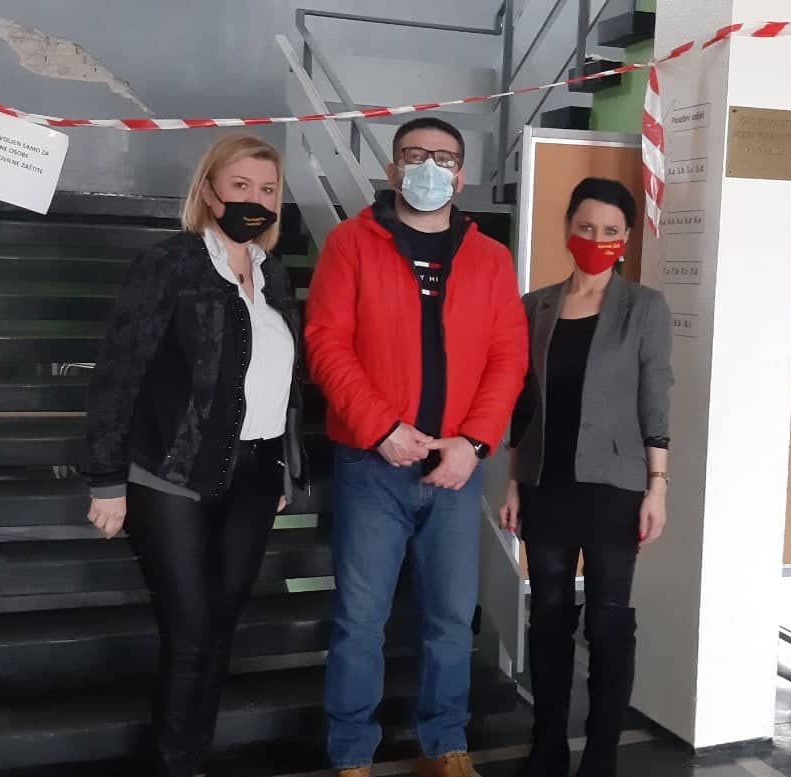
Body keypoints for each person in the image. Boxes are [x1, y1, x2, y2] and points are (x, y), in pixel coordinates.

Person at [306, 116, 529, 777]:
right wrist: (380, 428)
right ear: (392, 168)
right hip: (371, 467)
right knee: (359, 620)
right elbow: (326, 343)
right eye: (414, 154)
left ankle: (445, 744)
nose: (429, 167)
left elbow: (508, 357)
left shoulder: (490, 258)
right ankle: (351, 753)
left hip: (455, 473)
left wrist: (475, 443)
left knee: (451, 620)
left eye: (444, 158)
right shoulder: (351, 244)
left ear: (461, 177)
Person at [81, 133, 308, 777]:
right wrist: (106, 479)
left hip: (256, 478)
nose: (255, 199)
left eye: (267, 189)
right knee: (192, 631)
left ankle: (191, 757)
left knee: (220, 628)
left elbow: (287, 379)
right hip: (173, 474)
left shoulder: (273, 275)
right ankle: (177, 764)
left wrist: (286, 463)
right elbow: (119, 372)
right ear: (209, 192)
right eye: (240, 186)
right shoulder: (169, 264)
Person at [498, 178, 673, 777]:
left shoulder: (643, 308)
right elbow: (522, 403)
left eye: (610, 231)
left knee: (607, 618)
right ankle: (547, 746)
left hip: (615, 485)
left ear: (626, 238)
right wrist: (514, 481)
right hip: (545, 481)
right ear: (569, 227)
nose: (597, 239)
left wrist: (657, 485)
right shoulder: (535, 306)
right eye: (586, 227)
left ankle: (601, 756)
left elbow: (654, 400)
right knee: (547, 615)